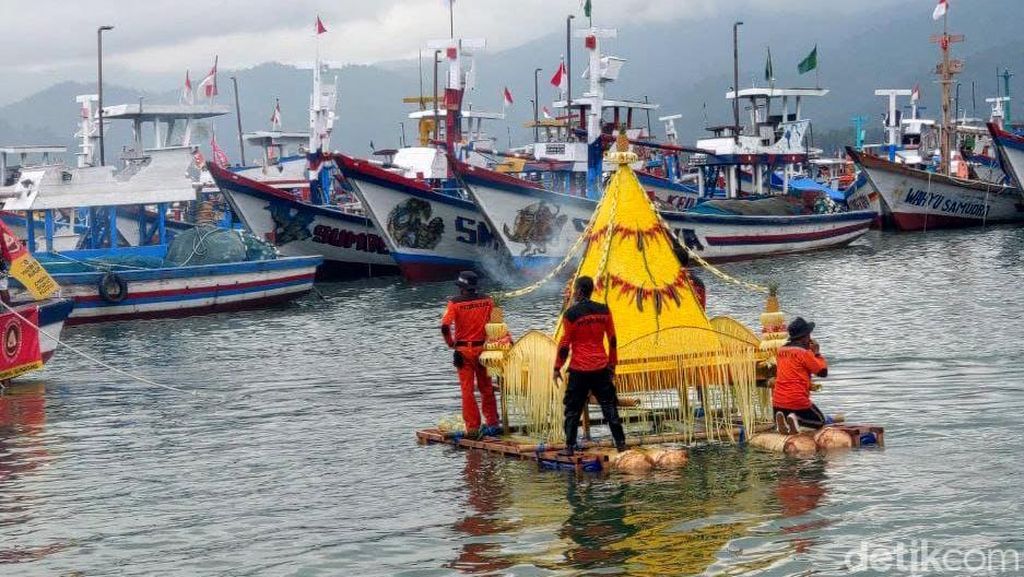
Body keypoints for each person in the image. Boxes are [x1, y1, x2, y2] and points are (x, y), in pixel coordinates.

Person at [554, 276, 626, 455]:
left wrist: (557, 367)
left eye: (574, 290)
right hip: (601, 367)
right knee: (609, 407)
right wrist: (612, 365)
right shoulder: (604, 310)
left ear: (578, 291)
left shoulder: (570, 314)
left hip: (579, 369)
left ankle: (570, 447)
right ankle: (621, 445)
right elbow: (613, 339)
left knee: (572, 409)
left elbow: (564, 345)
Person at [441, 271, 500, 437]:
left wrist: (451, 343)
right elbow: (497, 323)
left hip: (463, 351)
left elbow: (445, 326)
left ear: (461, 288)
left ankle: (473, 428)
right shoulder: (488, 300)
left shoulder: (454, 303)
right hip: (484, 350)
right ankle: (493, 423)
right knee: (486, 387)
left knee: (467, 390)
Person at [773, 317, 829, 433]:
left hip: (777, 404)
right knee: (820, 421)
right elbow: (823, 372)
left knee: (785, 411)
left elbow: (793, 373)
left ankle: (785, 422)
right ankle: (796, 420)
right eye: (808, 335)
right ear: (804, 337)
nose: (810, 338)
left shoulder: (780, 351)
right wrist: (817, 353)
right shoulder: (804, 353)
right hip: (797, 402)